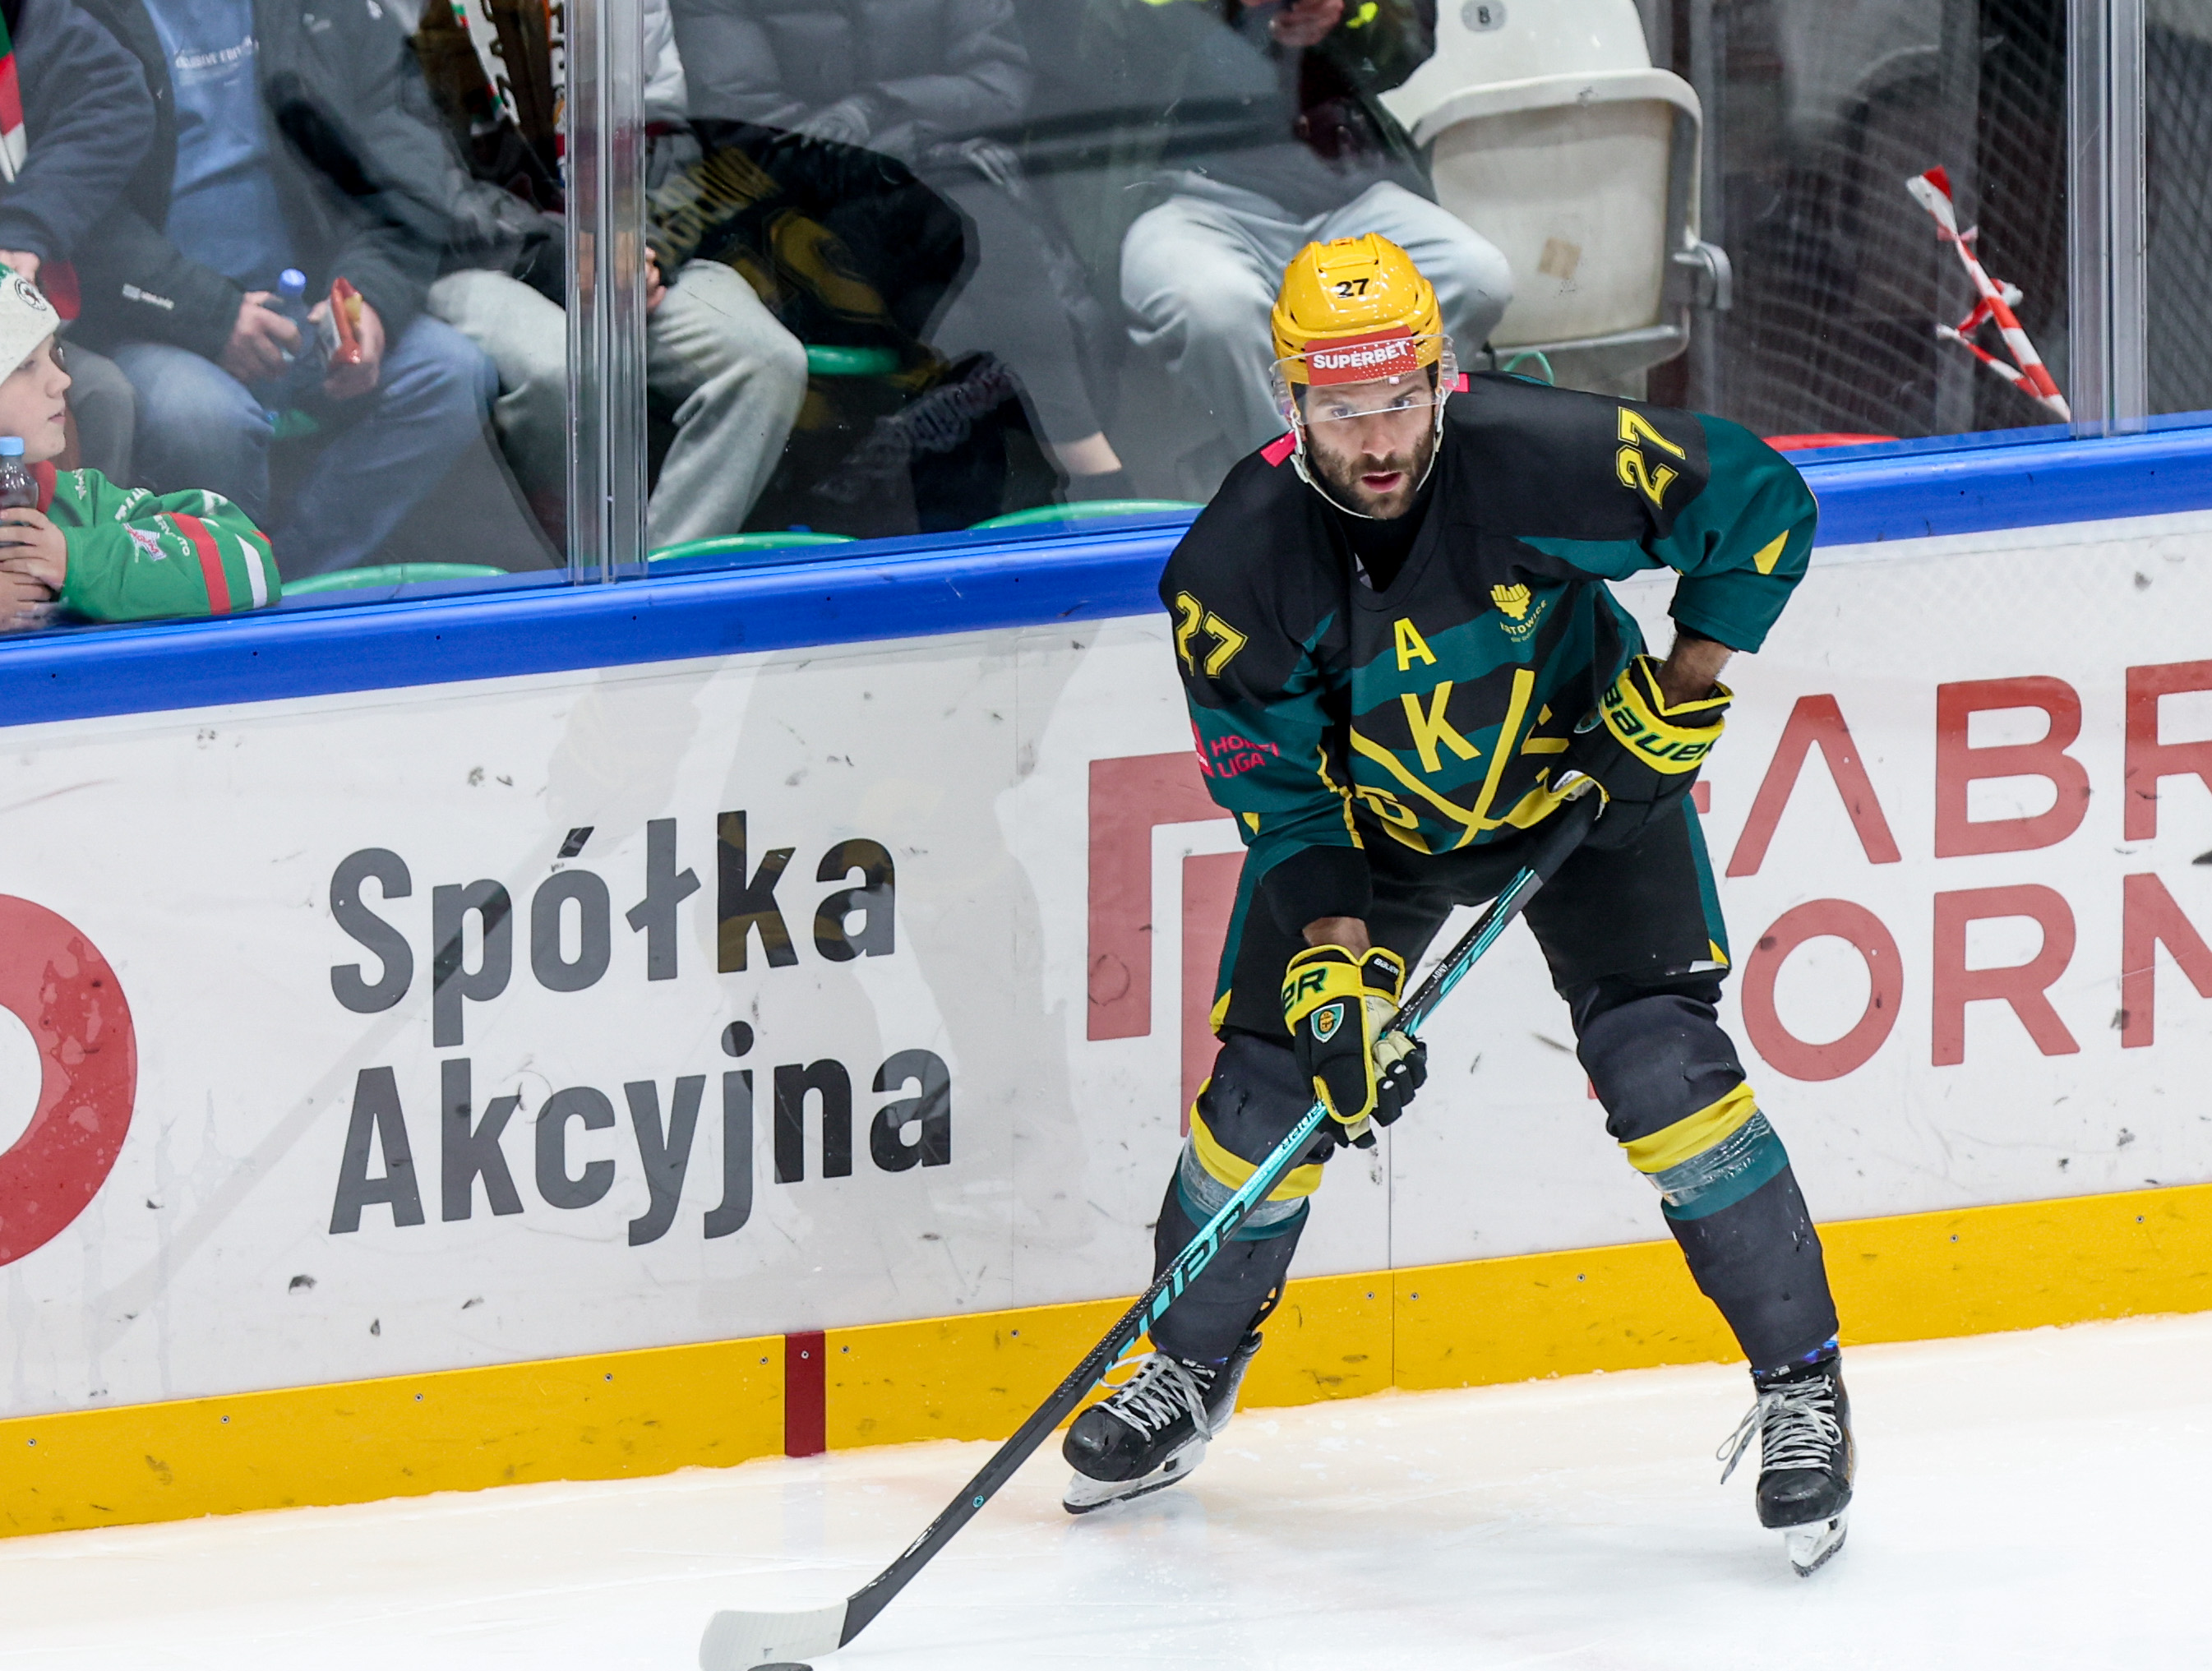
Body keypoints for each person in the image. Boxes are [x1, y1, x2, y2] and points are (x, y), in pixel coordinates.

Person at [1059, 234, 1853, 1575]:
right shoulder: (1231, 573)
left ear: (1443, 376)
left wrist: (1681, 690)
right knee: (1267, 1096)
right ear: (1287, 399)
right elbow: (1290, 807)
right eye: (1339, 408)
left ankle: (1801, 1386)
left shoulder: (1544, 456)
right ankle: (1185, 1368)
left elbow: (1763, 500)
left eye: (1399, 399)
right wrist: (1338, 976)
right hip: (1369, 838)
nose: (1376, 440)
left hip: (1589, 788)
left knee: (1664, 1071)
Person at [67, 0, 495, 579]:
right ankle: (223, 593)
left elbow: (404, 160)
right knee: (201, 422)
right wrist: (213, 316)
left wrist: (366, 299)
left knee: (451, 374)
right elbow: (77, 204)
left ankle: (291, 578)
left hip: (313, 304)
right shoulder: (77, 13)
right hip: (156, 320)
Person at [675, 0, 1134, 500]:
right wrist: (898, 146)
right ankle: (1084, 464)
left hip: (945, 185)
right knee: (973, 262)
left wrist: (879, 109)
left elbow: (1001, 83)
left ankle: (1032, 485)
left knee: (976, 265)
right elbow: (752, 132)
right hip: (796, 212)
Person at [424, 0, 807, 549]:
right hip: (486, 259)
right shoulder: (417, 10)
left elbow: (667, 136)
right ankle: (561, 572)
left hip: (625, 254)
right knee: (566, 370)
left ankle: (657, 577)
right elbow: (423, 181)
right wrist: (576, 261)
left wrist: (646, 246)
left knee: (764, 360)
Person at [1108, 0, 1514, 486]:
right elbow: (1104, 56)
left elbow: (1409, 42)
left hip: (1341, 180)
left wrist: (1346, 11)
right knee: (1213, 306)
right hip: (1190, 187)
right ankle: (1293, 480)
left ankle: (1382, 442)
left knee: (1473, 273)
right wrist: (1226, 9)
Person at [0, 253, 277, 632]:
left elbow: (250, 559)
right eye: (25, 365)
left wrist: (76, 559)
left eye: (55, 354)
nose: (62, 381)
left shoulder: (77, 503)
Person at [0, 0, 155, 478]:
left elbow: (114, 94)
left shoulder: (8, 15)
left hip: (9, 308)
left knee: (100, 394)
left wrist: (28, 227)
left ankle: (72, 525)